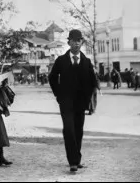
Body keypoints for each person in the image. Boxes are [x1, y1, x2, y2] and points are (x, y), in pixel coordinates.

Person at [48, 29, 97, 172]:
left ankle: (77, 157)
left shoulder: (87, 62)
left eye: (79, 40)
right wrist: (59, 95)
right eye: (73, 40)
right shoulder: (61, 61)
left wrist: (87, 98)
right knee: (69, 130)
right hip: (66, 102)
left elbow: (92, 82)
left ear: (81, 43)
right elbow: (52, 78)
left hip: (80, 103)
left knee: (78, 130)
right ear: (68, 42)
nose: (76, 43)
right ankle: (73, 162)